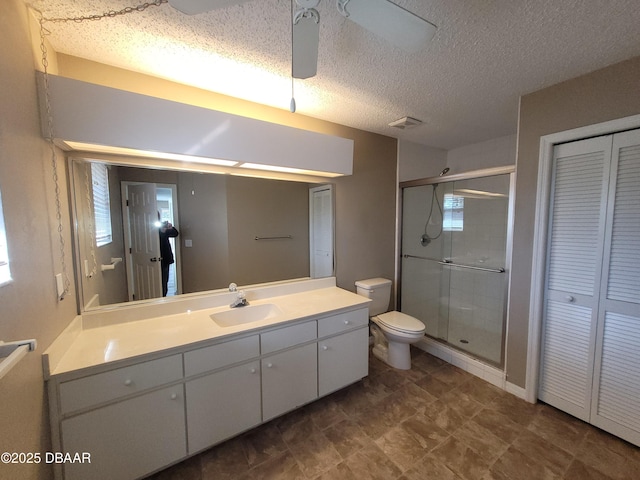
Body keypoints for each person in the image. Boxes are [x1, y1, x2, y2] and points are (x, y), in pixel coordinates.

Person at [158, 218, 179, 297]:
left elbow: (175, 233)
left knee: (164, 280)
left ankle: (163, 296)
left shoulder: (164, 229)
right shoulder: (150, 230)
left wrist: (170, 227)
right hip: (153, 258)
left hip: (165, 258)